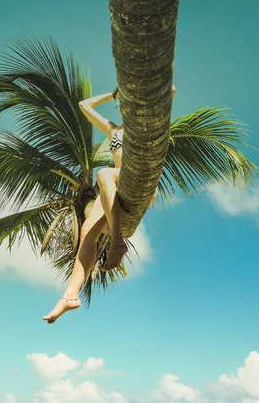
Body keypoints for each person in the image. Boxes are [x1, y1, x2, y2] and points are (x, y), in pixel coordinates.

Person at [42, 84, 177, 324]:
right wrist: (113, 94)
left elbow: (171, 89)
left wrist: (144, 90)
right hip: (114, 187)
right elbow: (84, 106)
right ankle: (70, 296)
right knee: (87, 232)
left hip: (140, 183)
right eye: (120, 102)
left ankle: (117, 243)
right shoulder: (113, 129)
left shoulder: (150, 124)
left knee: (103, 174)